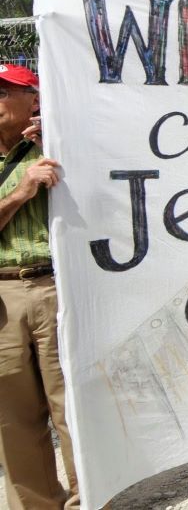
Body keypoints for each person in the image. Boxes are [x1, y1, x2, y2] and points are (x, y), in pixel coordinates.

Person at [0, 64, 78, 510]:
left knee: (72, 408)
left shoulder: (59, 147)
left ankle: (90, 498)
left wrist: (58, 145)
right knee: (12, 416)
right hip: (4, 295)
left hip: (55, 288)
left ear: (33, 100)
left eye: (3, 91)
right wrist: (21, 192)